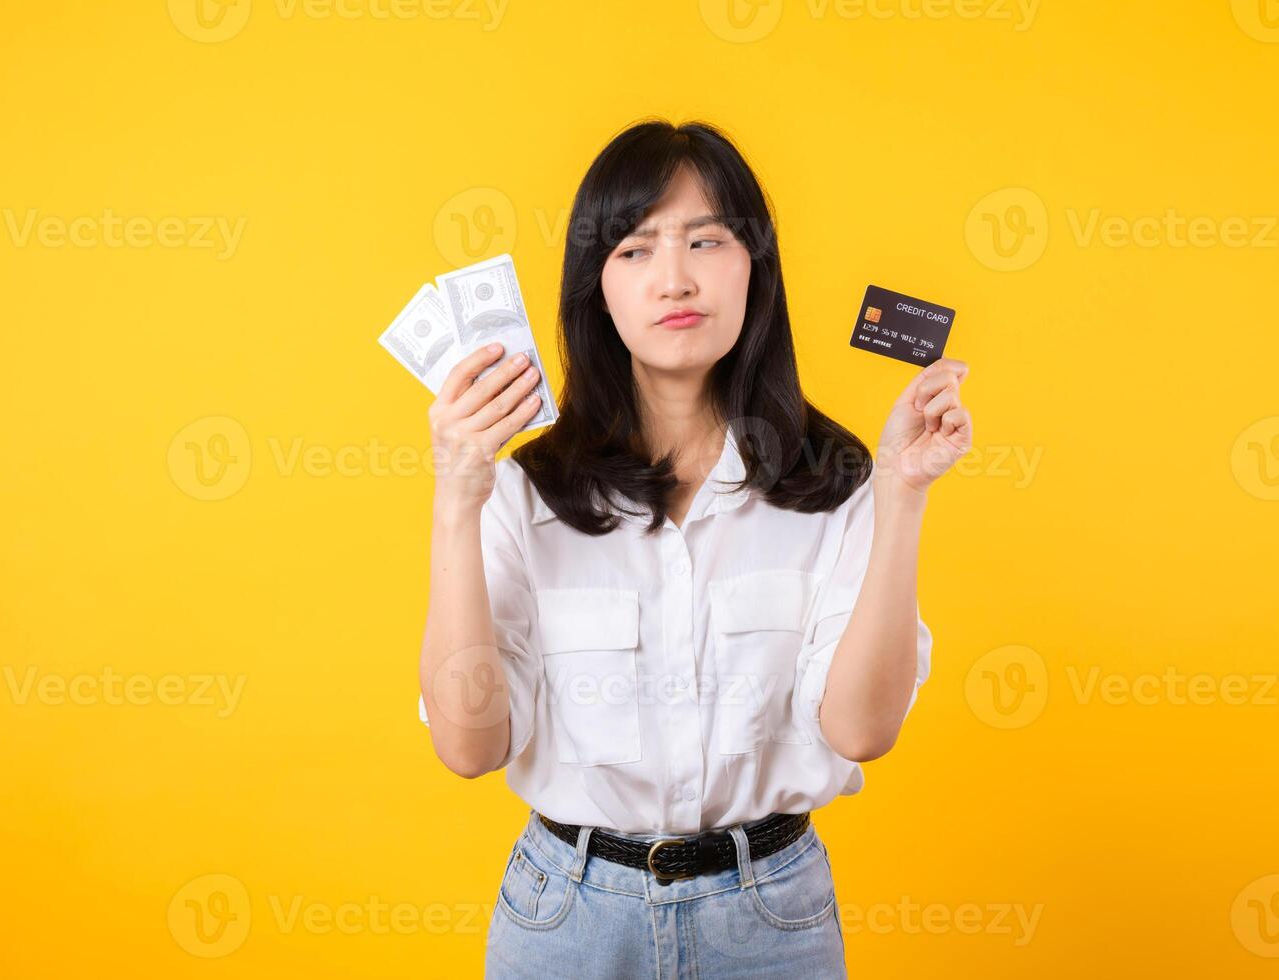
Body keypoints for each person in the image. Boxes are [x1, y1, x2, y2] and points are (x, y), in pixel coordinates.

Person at [416, 119, 972, 978]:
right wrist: (457, 500)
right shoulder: (525, 491)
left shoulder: (836, 479)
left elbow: (861, 730)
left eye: (707, 240)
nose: (674, 277)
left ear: (756, 267)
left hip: (772, 919)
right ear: (596, 288)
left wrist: (902, 492)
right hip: (566, 919)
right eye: (635, 249)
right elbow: (468, 749)